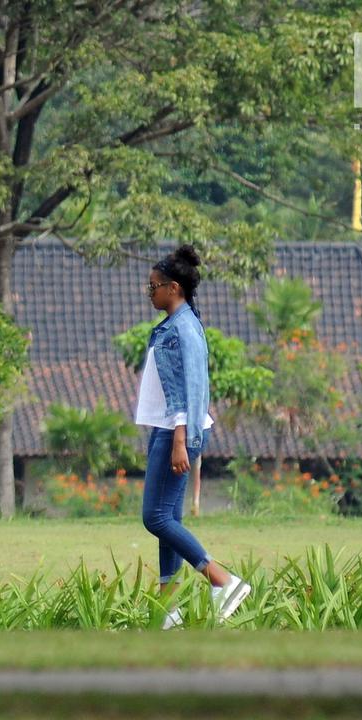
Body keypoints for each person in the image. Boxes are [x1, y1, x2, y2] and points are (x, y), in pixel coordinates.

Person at [135, 245, 250, 629]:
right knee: (168, 517)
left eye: (153, 287)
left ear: (173, 288)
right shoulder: (179, 323)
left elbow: (189, 387)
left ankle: (223, 579)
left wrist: (182, 436)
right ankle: (170, 609)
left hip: (174, 431)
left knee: (154, 517)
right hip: (165, 429)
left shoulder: (183, 328)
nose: (148, 293)